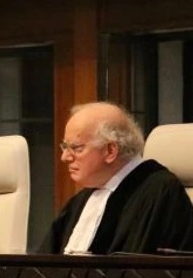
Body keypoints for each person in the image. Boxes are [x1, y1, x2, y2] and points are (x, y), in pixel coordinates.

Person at [38, 101, 193, 254]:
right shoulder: (81, 200)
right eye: (65, 147)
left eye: (76, 148)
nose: (65, 157)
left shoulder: (160, 192)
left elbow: (149, 265)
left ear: (110, 151)